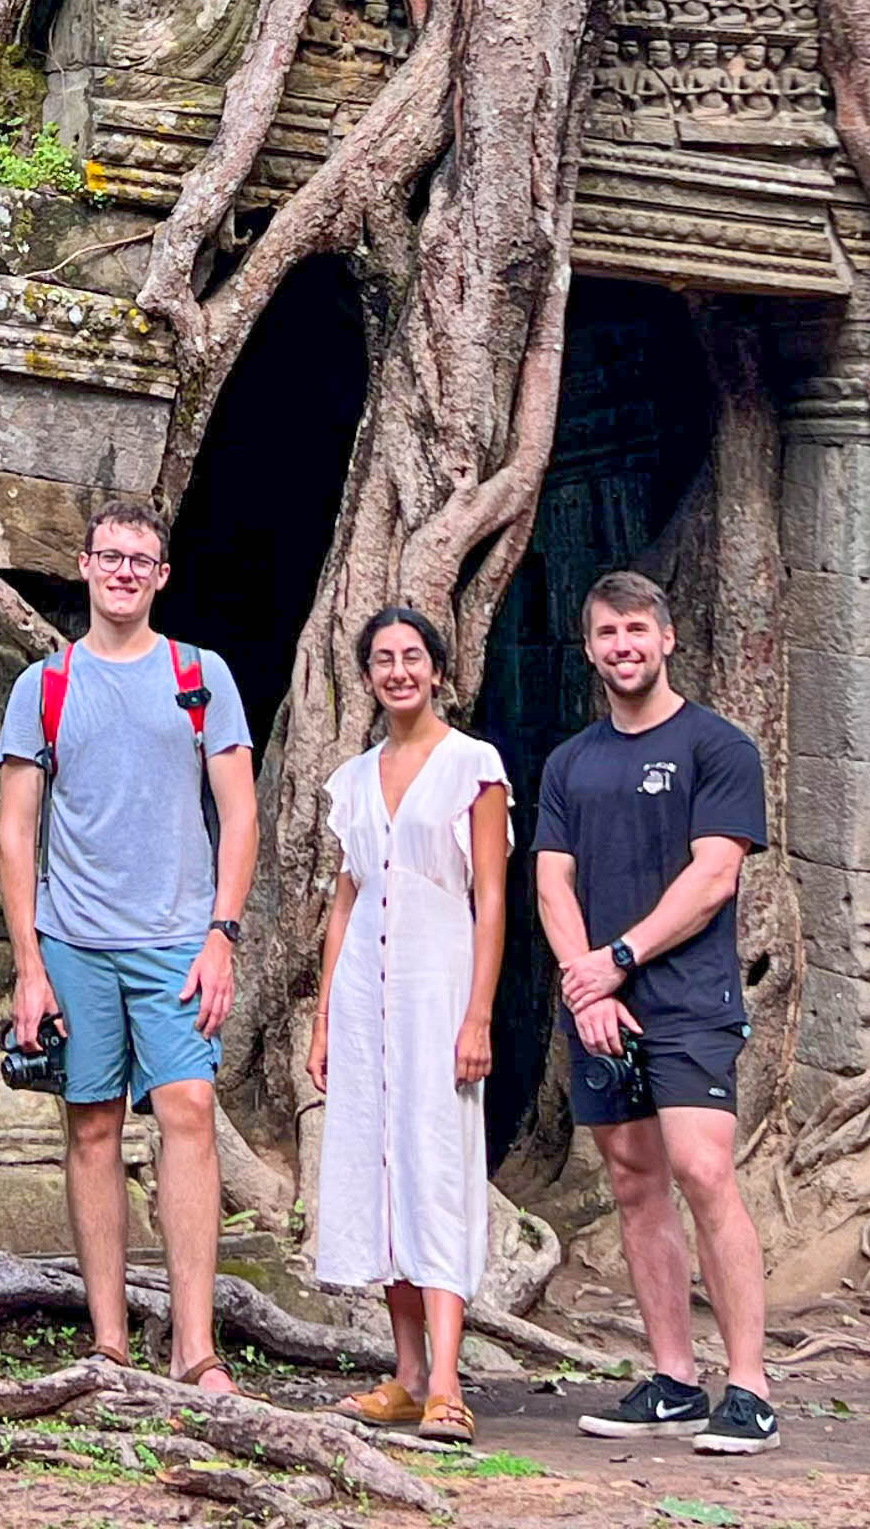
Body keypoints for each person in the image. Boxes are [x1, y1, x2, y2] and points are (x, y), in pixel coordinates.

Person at [0, 495, 261, 1389]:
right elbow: (16, 831)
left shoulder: (199, 675)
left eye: (139, 560)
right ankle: (108, 1341)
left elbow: (239, 813)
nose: (122, 573)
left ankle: (196, 1347)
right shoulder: (45, 686)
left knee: (187, 1110)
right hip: (73, 937)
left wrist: (222, 933)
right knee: (94, 1123)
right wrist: (28, 966)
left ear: (162, 576)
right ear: (83, 565)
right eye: (109, 557)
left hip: (178, 936)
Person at [535, 568, 778, 1456]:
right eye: (607, 633)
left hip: (687, 1000)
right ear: (589, 648)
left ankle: (749, 1388)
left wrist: (618, 961)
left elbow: (714, 876)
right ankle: (674, 1379)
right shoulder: (571, 763)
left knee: (704, 1171)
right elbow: (552, 882)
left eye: (637, 629)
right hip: (600, 1005)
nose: (623, 646)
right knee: (634, 1183)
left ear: (667, 638)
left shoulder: (718, 747)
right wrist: (585, 983)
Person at [306, 605, 511, 1446]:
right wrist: (324, 1019)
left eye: (412, 656)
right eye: (383, 659)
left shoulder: (473, 766)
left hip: (439, 987)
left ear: (437, 670)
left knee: (436, 1164)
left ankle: (449, 1382)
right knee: (382, 1167)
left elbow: (491, 896)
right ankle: (408, 1372)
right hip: (366, 996)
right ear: (367, 676)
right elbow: (346, 899)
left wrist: (479, 1014)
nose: (398, 671)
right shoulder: (354, 779)